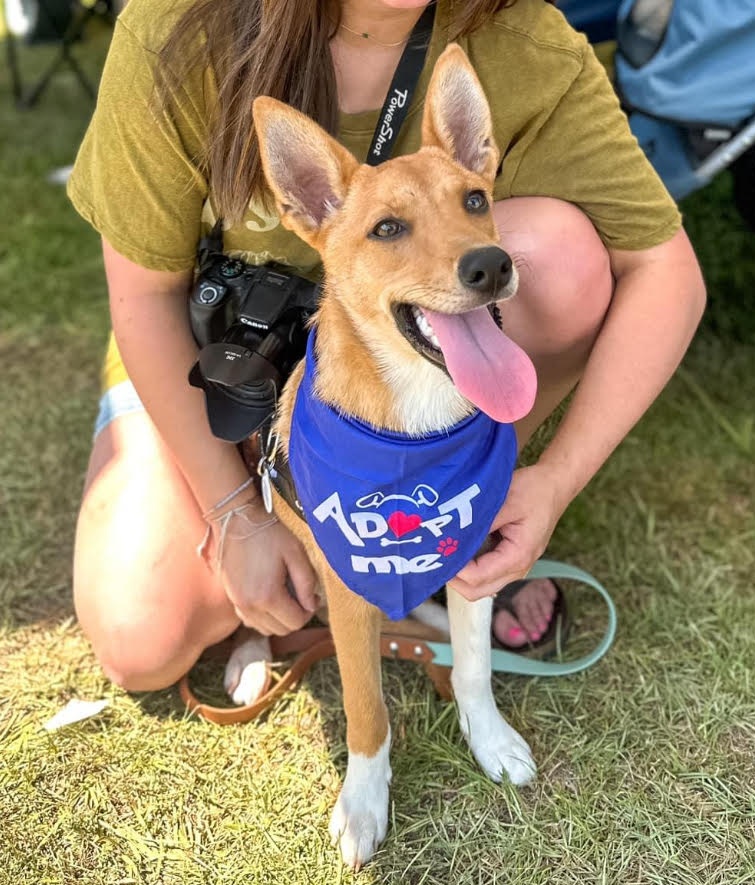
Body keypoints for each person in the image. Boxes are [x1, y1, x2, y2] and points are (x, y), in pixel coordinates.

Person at [69, 0, 706, 693]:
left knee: (558, 261)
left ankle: (448, 513)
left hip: (416, 344)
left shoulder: (523, 40)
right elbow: (143, 296)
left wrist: (558, 478)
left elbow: (665, 271)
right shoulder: (180, 25)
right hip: (218, 367)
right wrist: (234, 516)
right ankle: (345, 566)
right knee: (142, 638)